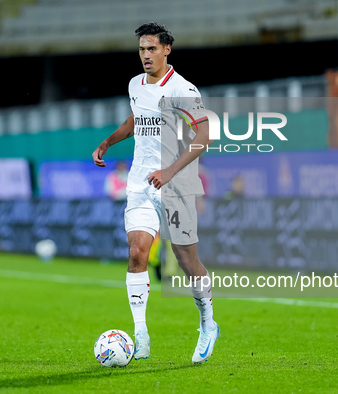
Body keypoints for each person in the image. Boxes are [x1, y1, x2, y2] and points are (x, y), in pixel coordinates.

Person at [92, 22, 219, 364]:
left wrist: (170, 171)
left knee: (185, 260)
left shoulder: (183, 89)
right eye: (141, 49)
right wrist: (107, 142)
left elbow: (204, 136)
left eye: (151, 49)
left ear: (166, 50)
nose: (145, 55)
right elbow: (136, 119)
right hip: (139, 184)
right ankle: (141, 334)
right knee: (137, 254)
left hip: (175, 184)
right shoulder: (135, 84)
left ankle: (208, 324)